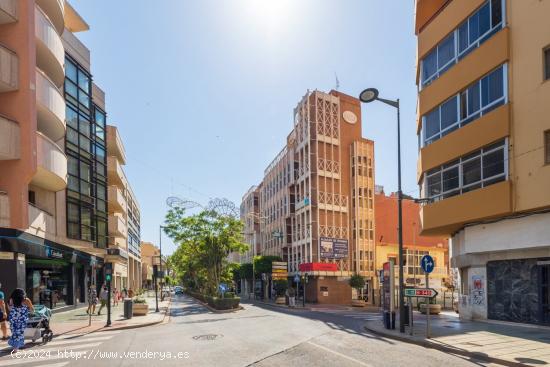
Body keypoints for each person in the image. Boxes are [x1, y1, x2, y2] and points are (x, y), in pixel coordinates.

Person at [7, 288, 34, 353]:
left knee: (14, 332)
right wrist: (28, 311)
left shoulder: (11, 300)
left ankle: (16, 346)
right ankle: (16, 348)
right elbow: (32, 309)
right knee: (19, 333)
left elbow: (10, 309)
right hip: (22, 320)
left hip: (13, 320)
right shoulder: (26, 300)